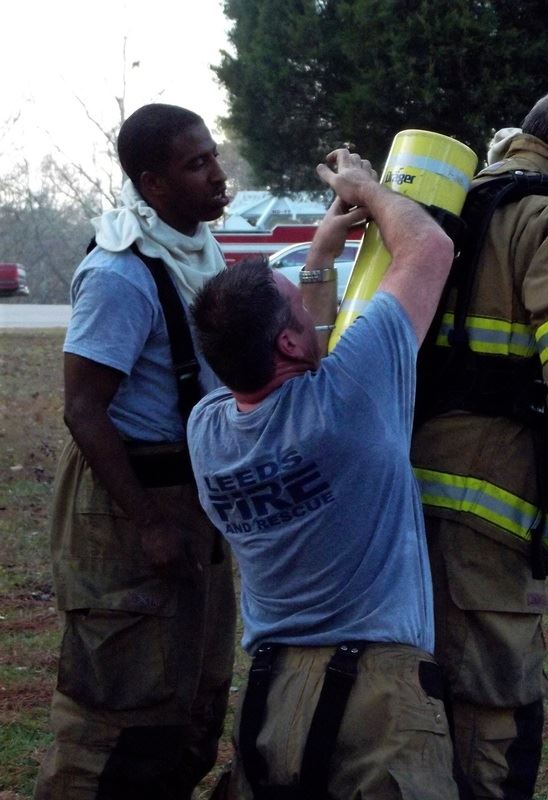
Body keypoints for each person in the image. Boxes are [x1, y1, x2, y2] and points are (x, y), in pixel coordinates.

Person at [187, 149, 458, 800]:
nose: (309, 316)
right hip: (380, 695)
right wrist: (365, 188)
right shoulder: (351, 397)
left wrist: (317, 253)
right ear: (287, 343)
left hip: (274, 696)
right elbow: (429, 247)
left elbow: (302, 339)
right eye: (296, 309)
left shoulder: (207, 429)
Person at [34, 104, 236, 800]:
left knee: (190, 703)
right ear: (152, 184)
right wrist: (148, 520)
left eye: (213, 156)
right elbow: (84, 409)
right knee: (115, 719)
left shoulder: (200, 255)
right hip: (129, 505)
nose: (218, 175)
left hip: (190, 500)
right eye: (197, 164)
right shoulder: (122, 273)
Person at [411, 82, 548, 800]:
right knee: (496, 711)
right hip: (489, 507)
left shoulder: (460, 201)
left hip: (411, 491)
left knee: (427, 687)